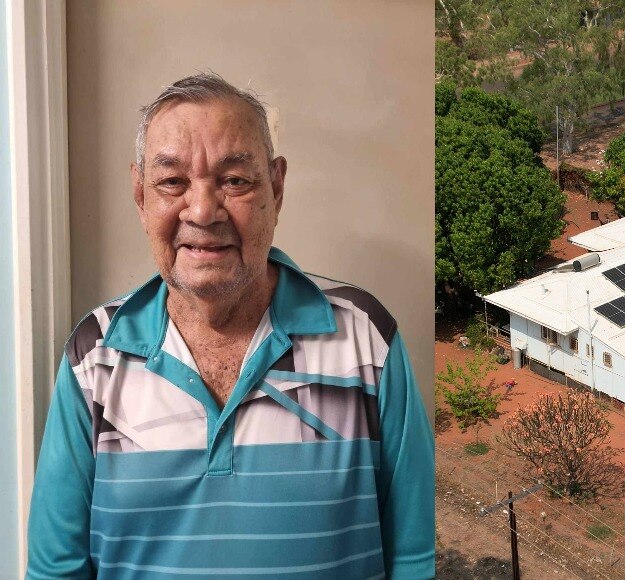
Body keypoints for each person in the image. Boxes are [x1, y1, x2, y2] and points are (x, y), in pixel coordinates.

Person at [26, 73, 434, 579]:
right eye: (172, 182)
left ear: (277, 188)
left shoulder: (367, 339)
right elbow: (55, 569)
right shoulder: (93, 357)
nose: (202, 210)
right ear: (140, 196)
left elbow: (414, 557)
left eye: (234, 180)